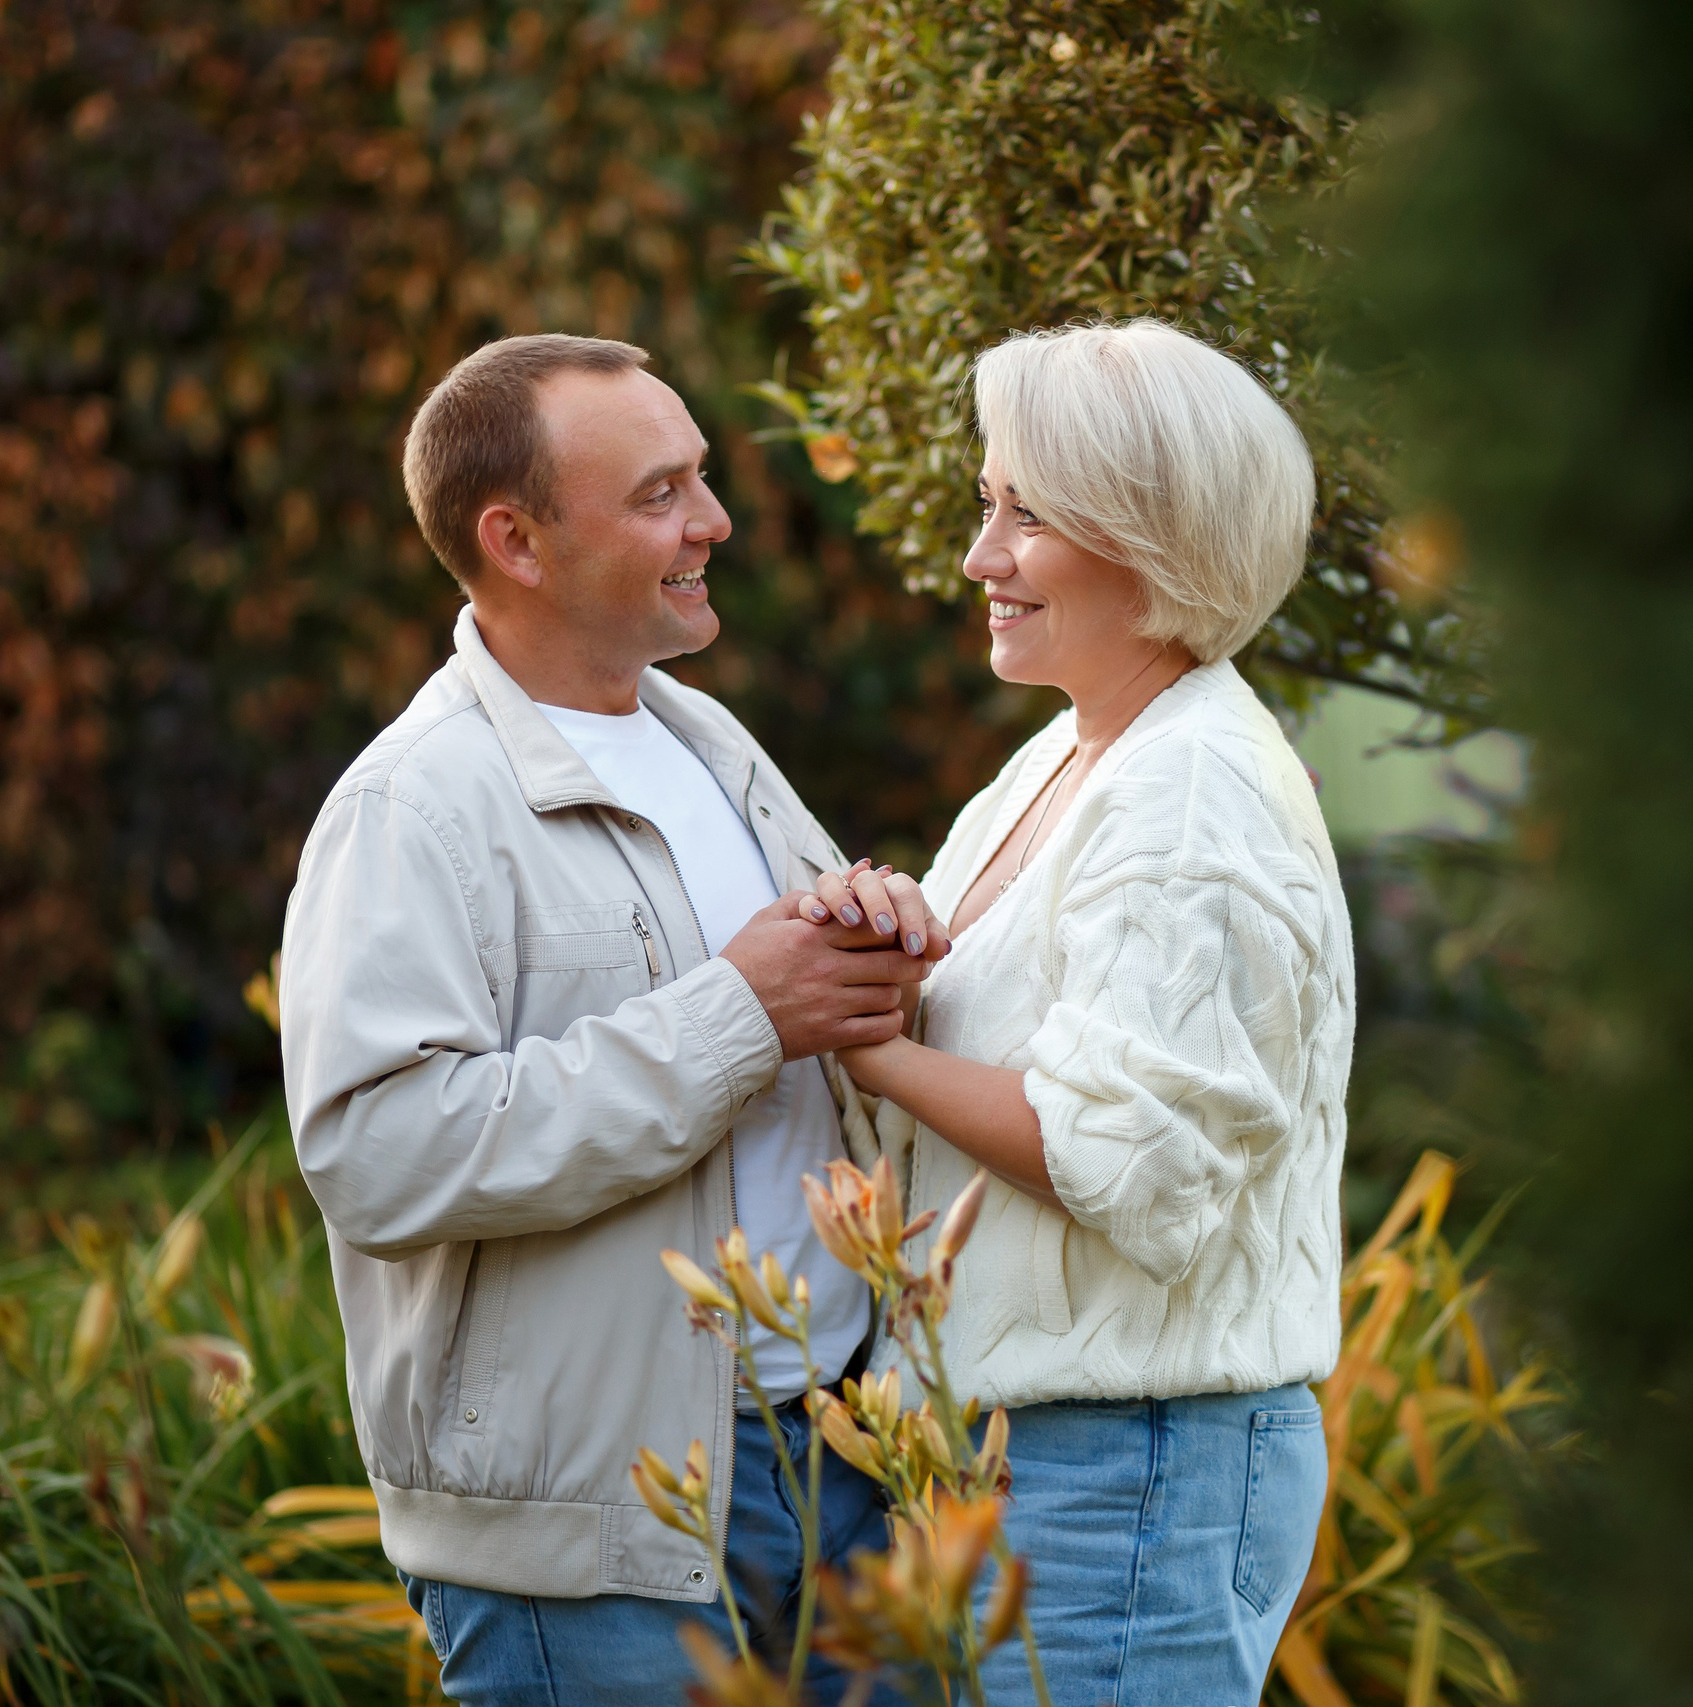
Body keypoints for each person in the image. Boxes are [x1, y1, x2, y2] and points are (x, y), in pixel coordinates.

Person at [278, 334, 950, 1707]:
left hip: (836, 1468)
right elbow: (382, 1152)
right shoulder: (412, 807)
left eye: (699, 479)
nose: (713, 522)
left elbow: (823, 1032)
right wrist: (738, 1016)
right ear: (515, 539)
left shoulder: (711, 743)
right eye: (660, 494)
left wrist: (884, 940)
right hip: (592, 1545)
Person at [799, 319, 1355, 1702]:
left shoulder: (1189, 798)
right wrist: (899, 949)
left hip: (1129, 1473)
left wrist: (872, 1040)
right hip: (1038, 1465)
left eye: (1024, 515)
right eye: (990, 506)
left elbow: (1133, 1162)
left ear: (1151, 540)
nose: (981, 557)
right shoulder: (1078, 748)